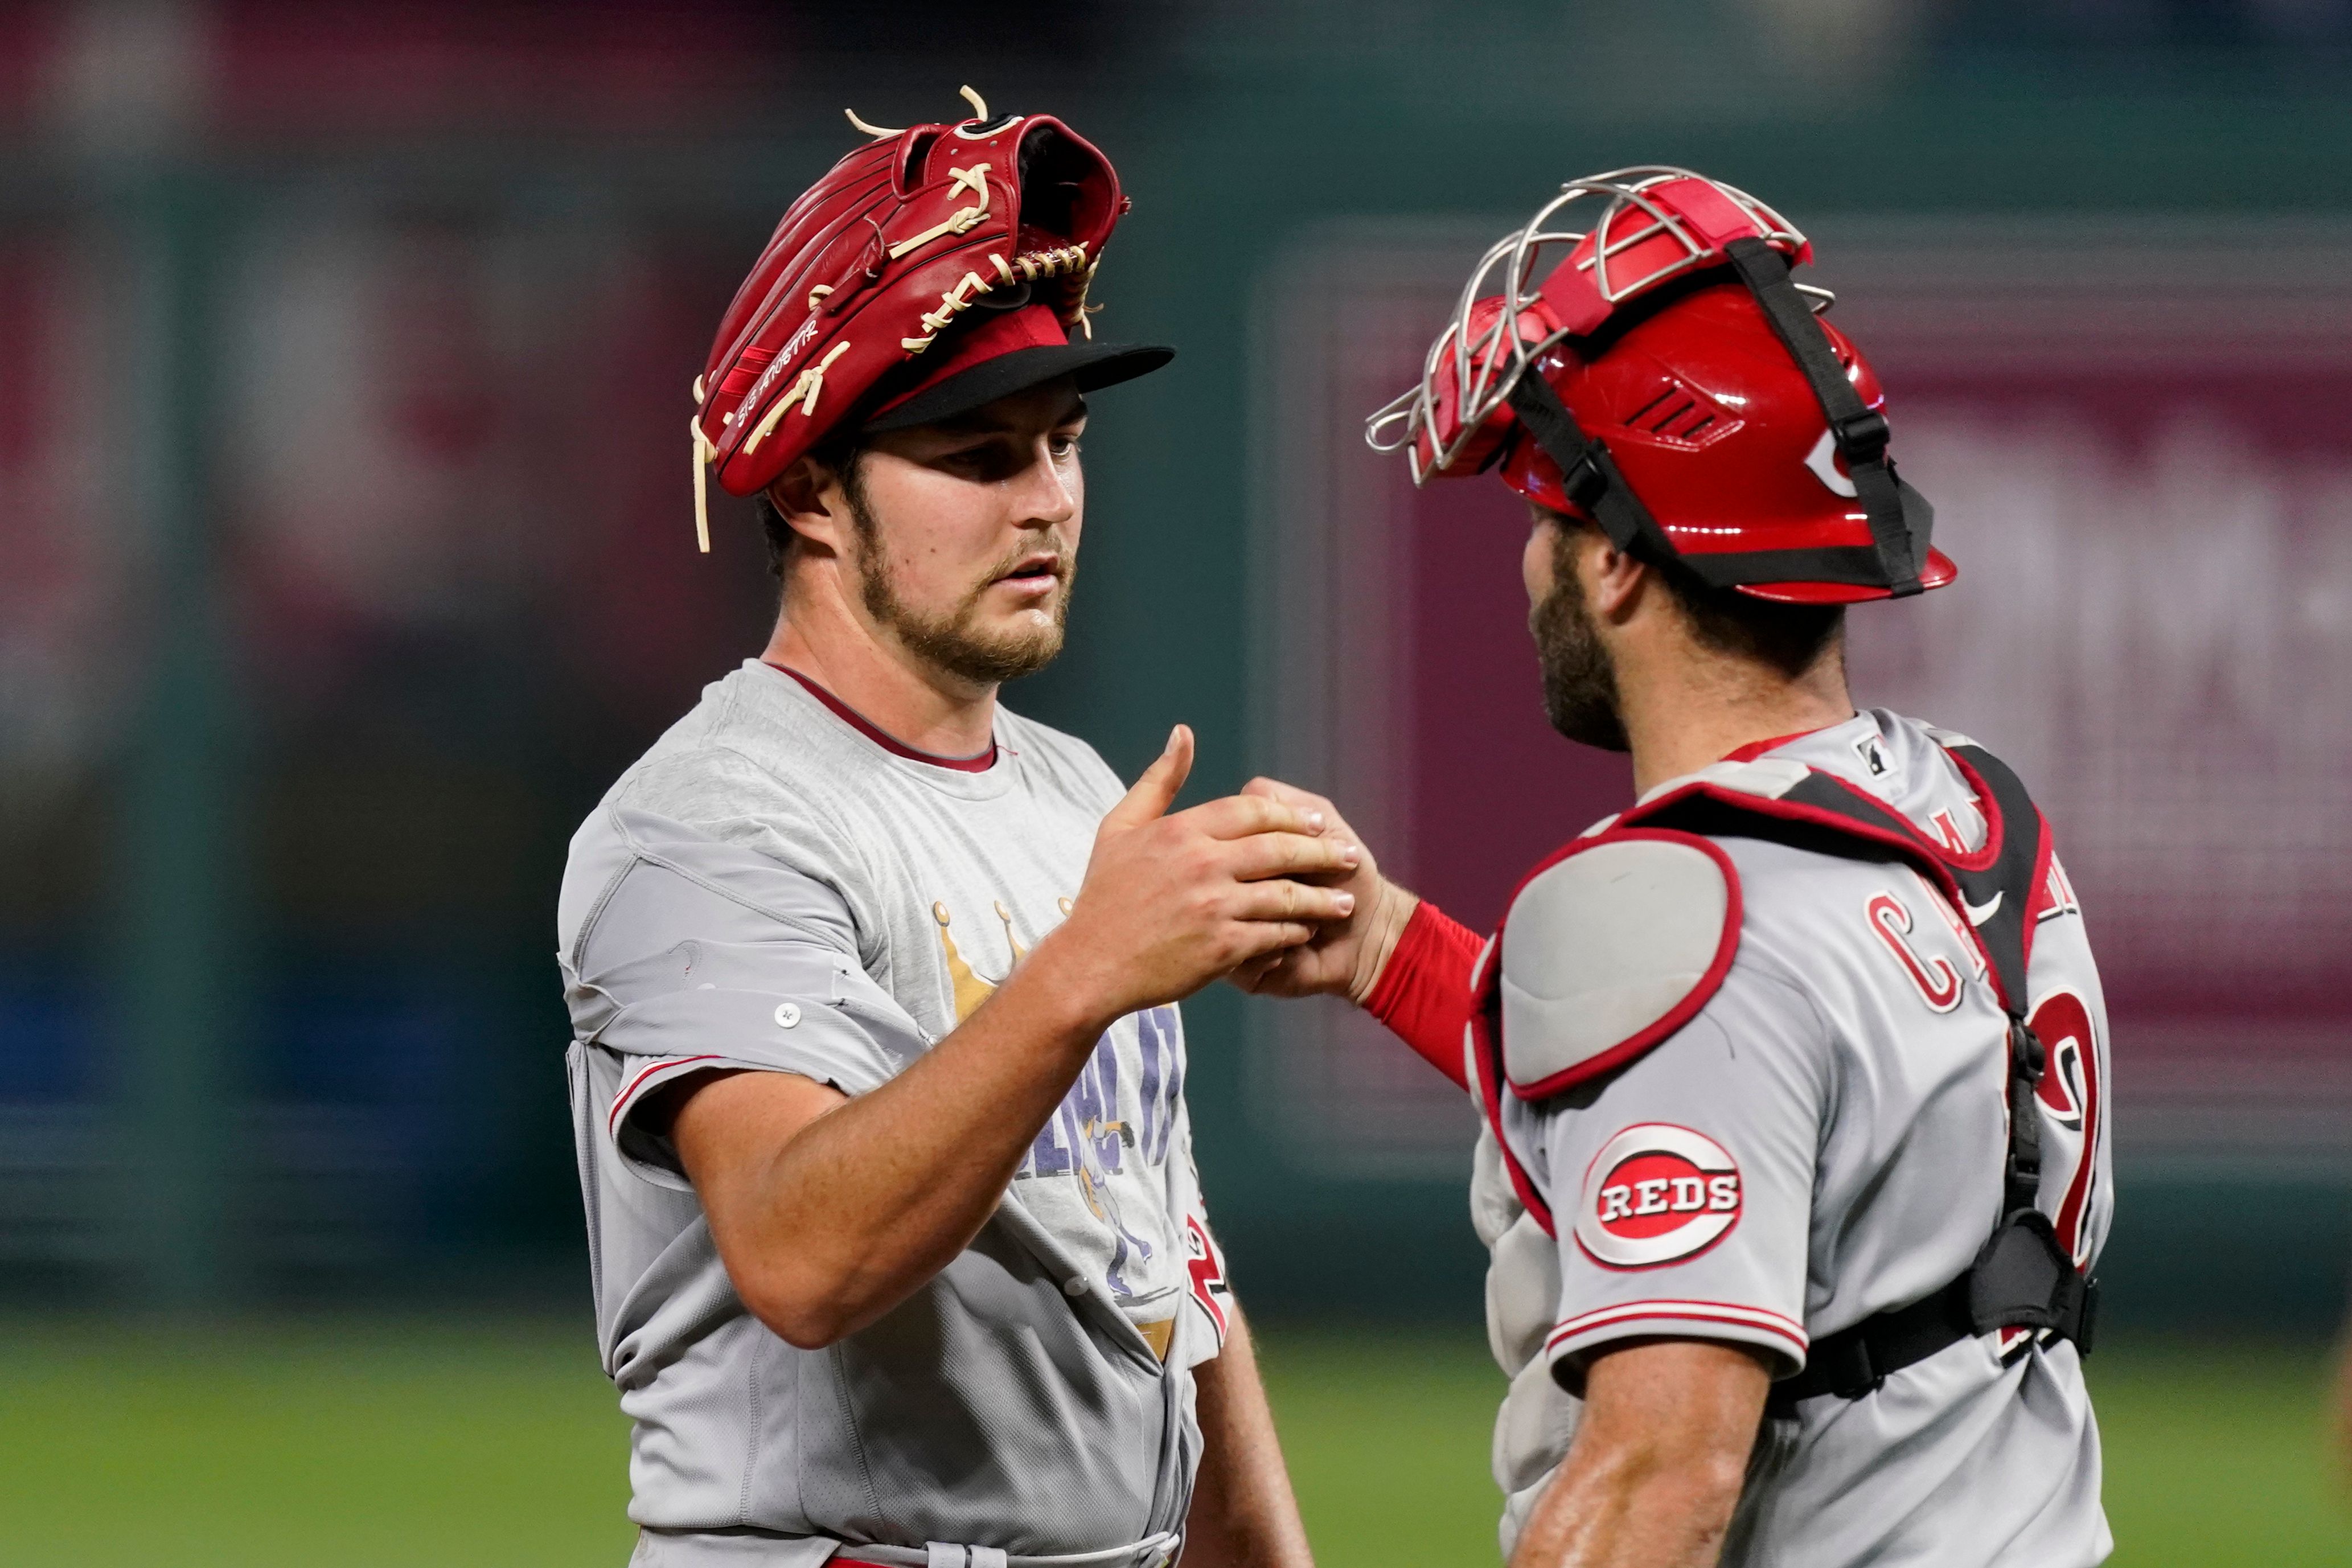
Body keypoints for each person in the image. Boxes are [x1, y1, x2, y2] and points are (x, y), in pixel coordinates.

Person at [1241, 169, 2115, 1566]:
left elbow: (1659, 1482)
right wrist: (1388, 954)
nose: (1531, 566)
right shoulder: (1968, 810)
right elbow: (1764, 1101)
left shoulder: (1680, 910)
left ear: (1618, 566)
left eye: (1543, 524)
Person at [560, 93, 1337, 1568]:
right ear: (808, 488)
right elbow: (800, 1252)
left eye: (1063, 443)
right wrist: (1080, 973)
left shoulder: (1066, 791)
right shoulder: (703, 825)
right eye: (978, 459)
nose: (1046, 502)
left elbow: (1163, 1256)